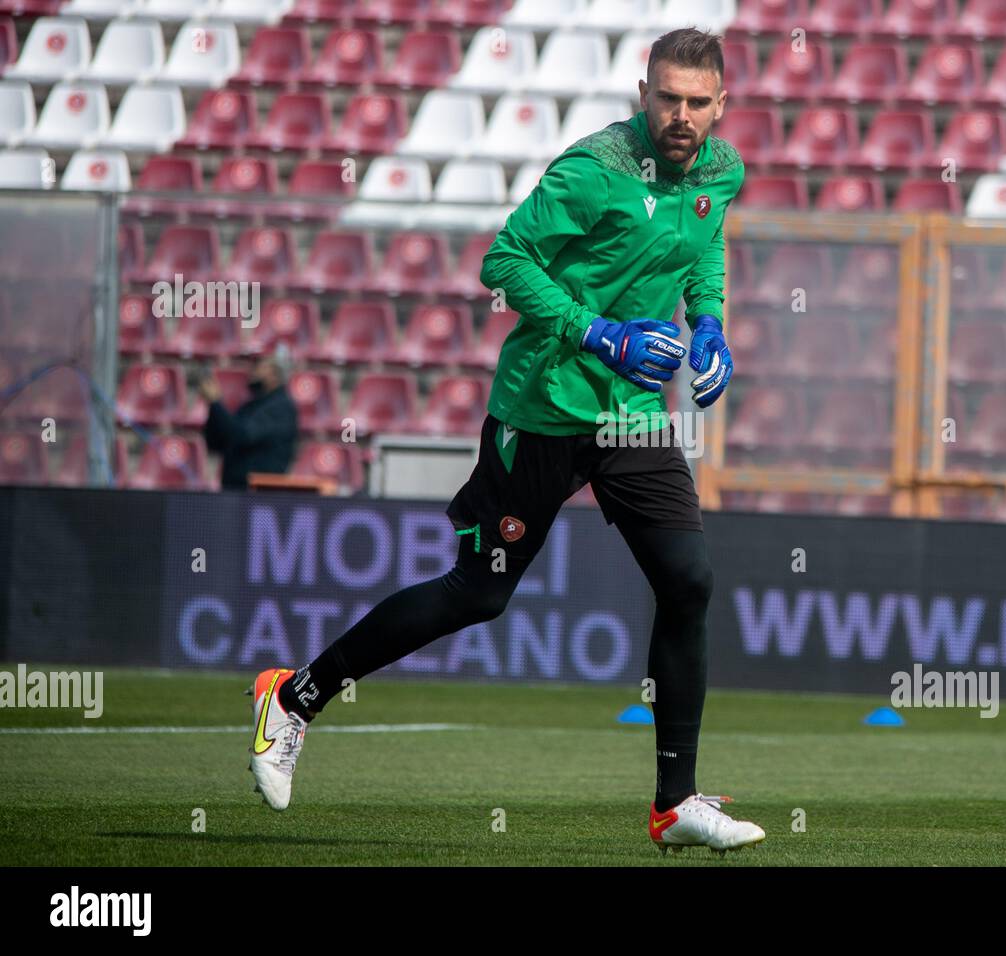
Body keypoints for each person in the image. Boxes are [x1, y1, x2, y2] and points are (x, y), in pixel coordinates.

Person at [246, 27, 762, 855]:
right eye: (668, 97)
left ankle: (675, 804)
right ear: (643, 93)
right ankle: (296, 696)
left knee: (690, 579)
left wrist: (708, 326)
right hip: (544, 408)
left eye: (699, 102)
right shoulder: (593, 170)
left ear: (721, 105)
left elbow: (704, 255)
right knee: (479, 594)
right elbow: (505, 260)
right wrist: (596, 332)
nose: (682, 114)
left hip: (631, 415)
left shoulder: (719, 171)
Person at [201, 343, 298, 490]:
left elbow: (243, 435)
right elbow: (217, 442)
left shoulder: (281, 407)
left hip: (258, 497)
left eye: (258, 365)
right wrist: (213, 408)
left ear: (275, 372)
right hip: (236, 492)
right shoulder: (252, 405)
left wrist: (215, 403)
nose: (252, 370)